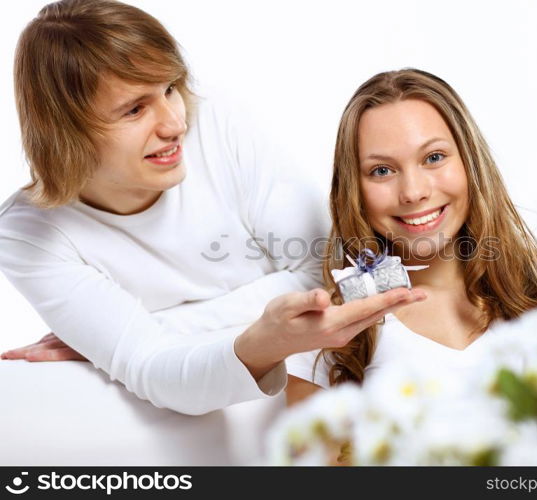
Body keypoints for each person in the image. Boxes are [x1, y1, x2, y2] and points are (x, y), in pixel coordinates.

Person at [0, 0, 424, 416]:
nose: (174, 124)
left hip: (337, 387)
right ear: (64, 132)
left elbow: (329, 272)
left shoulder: (217, 123)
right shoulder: (28, 235)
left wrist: (153, 328)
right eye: (134, 109)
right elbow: (154, 370)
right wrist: (259, 334)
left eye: (169, 89)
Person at [285, 68, 537, 402]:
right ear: (352, 188)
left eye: (433, 158)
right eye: (382, 170)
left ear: (470, 162)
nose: (413, 192)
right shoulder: (328, 333)